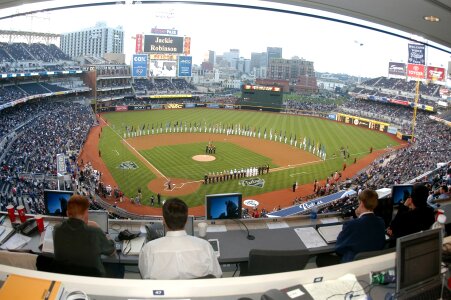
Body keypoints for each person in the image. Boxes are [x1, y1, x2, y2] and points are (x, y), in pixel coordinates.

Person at [139, 198, 222, 279]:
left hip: (165, 293)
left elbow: (145, 276)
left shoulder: (148, 249)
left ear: (163, 220)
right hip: (197, 293)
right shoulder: (205, 246)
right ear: (186, 220)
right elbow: (217, 276)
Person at [316, 189, 385, 266]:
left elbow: (339, 248)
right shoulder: (381, 221)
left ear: (361, 203)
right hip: (370, 263)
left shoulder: (352, 224)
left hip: (352, 264)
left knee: (320, 259)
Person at [53, 195, 116, 277]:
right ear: (86, 213)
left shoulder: (57, 229)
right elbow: (112, 251)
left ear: (67, 213)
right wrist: (99, 229)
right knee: (119, 268)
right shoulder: (95, 232)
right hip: (93, 280)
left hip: (69, 279)